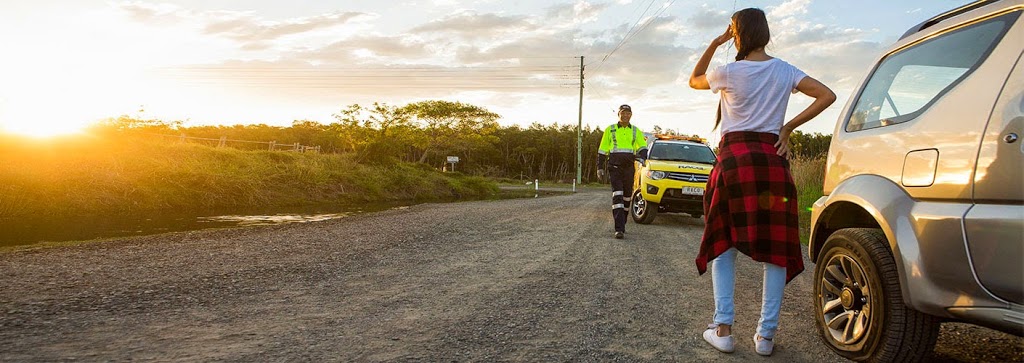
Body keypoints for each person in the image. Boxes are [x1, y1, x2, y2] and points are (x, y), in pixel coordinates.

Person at [688, 8, 836, 356]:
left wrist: (715, 42)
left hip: (735, 165)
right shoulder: (784, 70)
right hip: (771, 165)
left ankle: (722, 329)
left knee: (723, 242)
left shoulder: (729, 71)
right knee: (777, 251)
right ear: (765, 33)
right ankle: (765, 337)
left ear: (737, 34)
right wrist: (787, 128)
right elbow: (827, 94)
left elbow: (694, 79)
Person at [596, 104, 648, 239]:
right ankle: (619, 228)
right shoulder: (610, 130)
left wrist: (643, 157)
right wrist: (599, 167)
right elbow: (602, 150)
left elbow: (642, 146)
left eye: (628, 113)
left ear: (631, 115)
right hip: (614, 167)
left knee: (627, 197)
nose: (625, 115)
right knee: (617, 195)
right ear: (618, 114)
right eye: (623, 113)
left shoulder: (636, 131)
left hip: (629, 168)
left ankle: (622, 221)